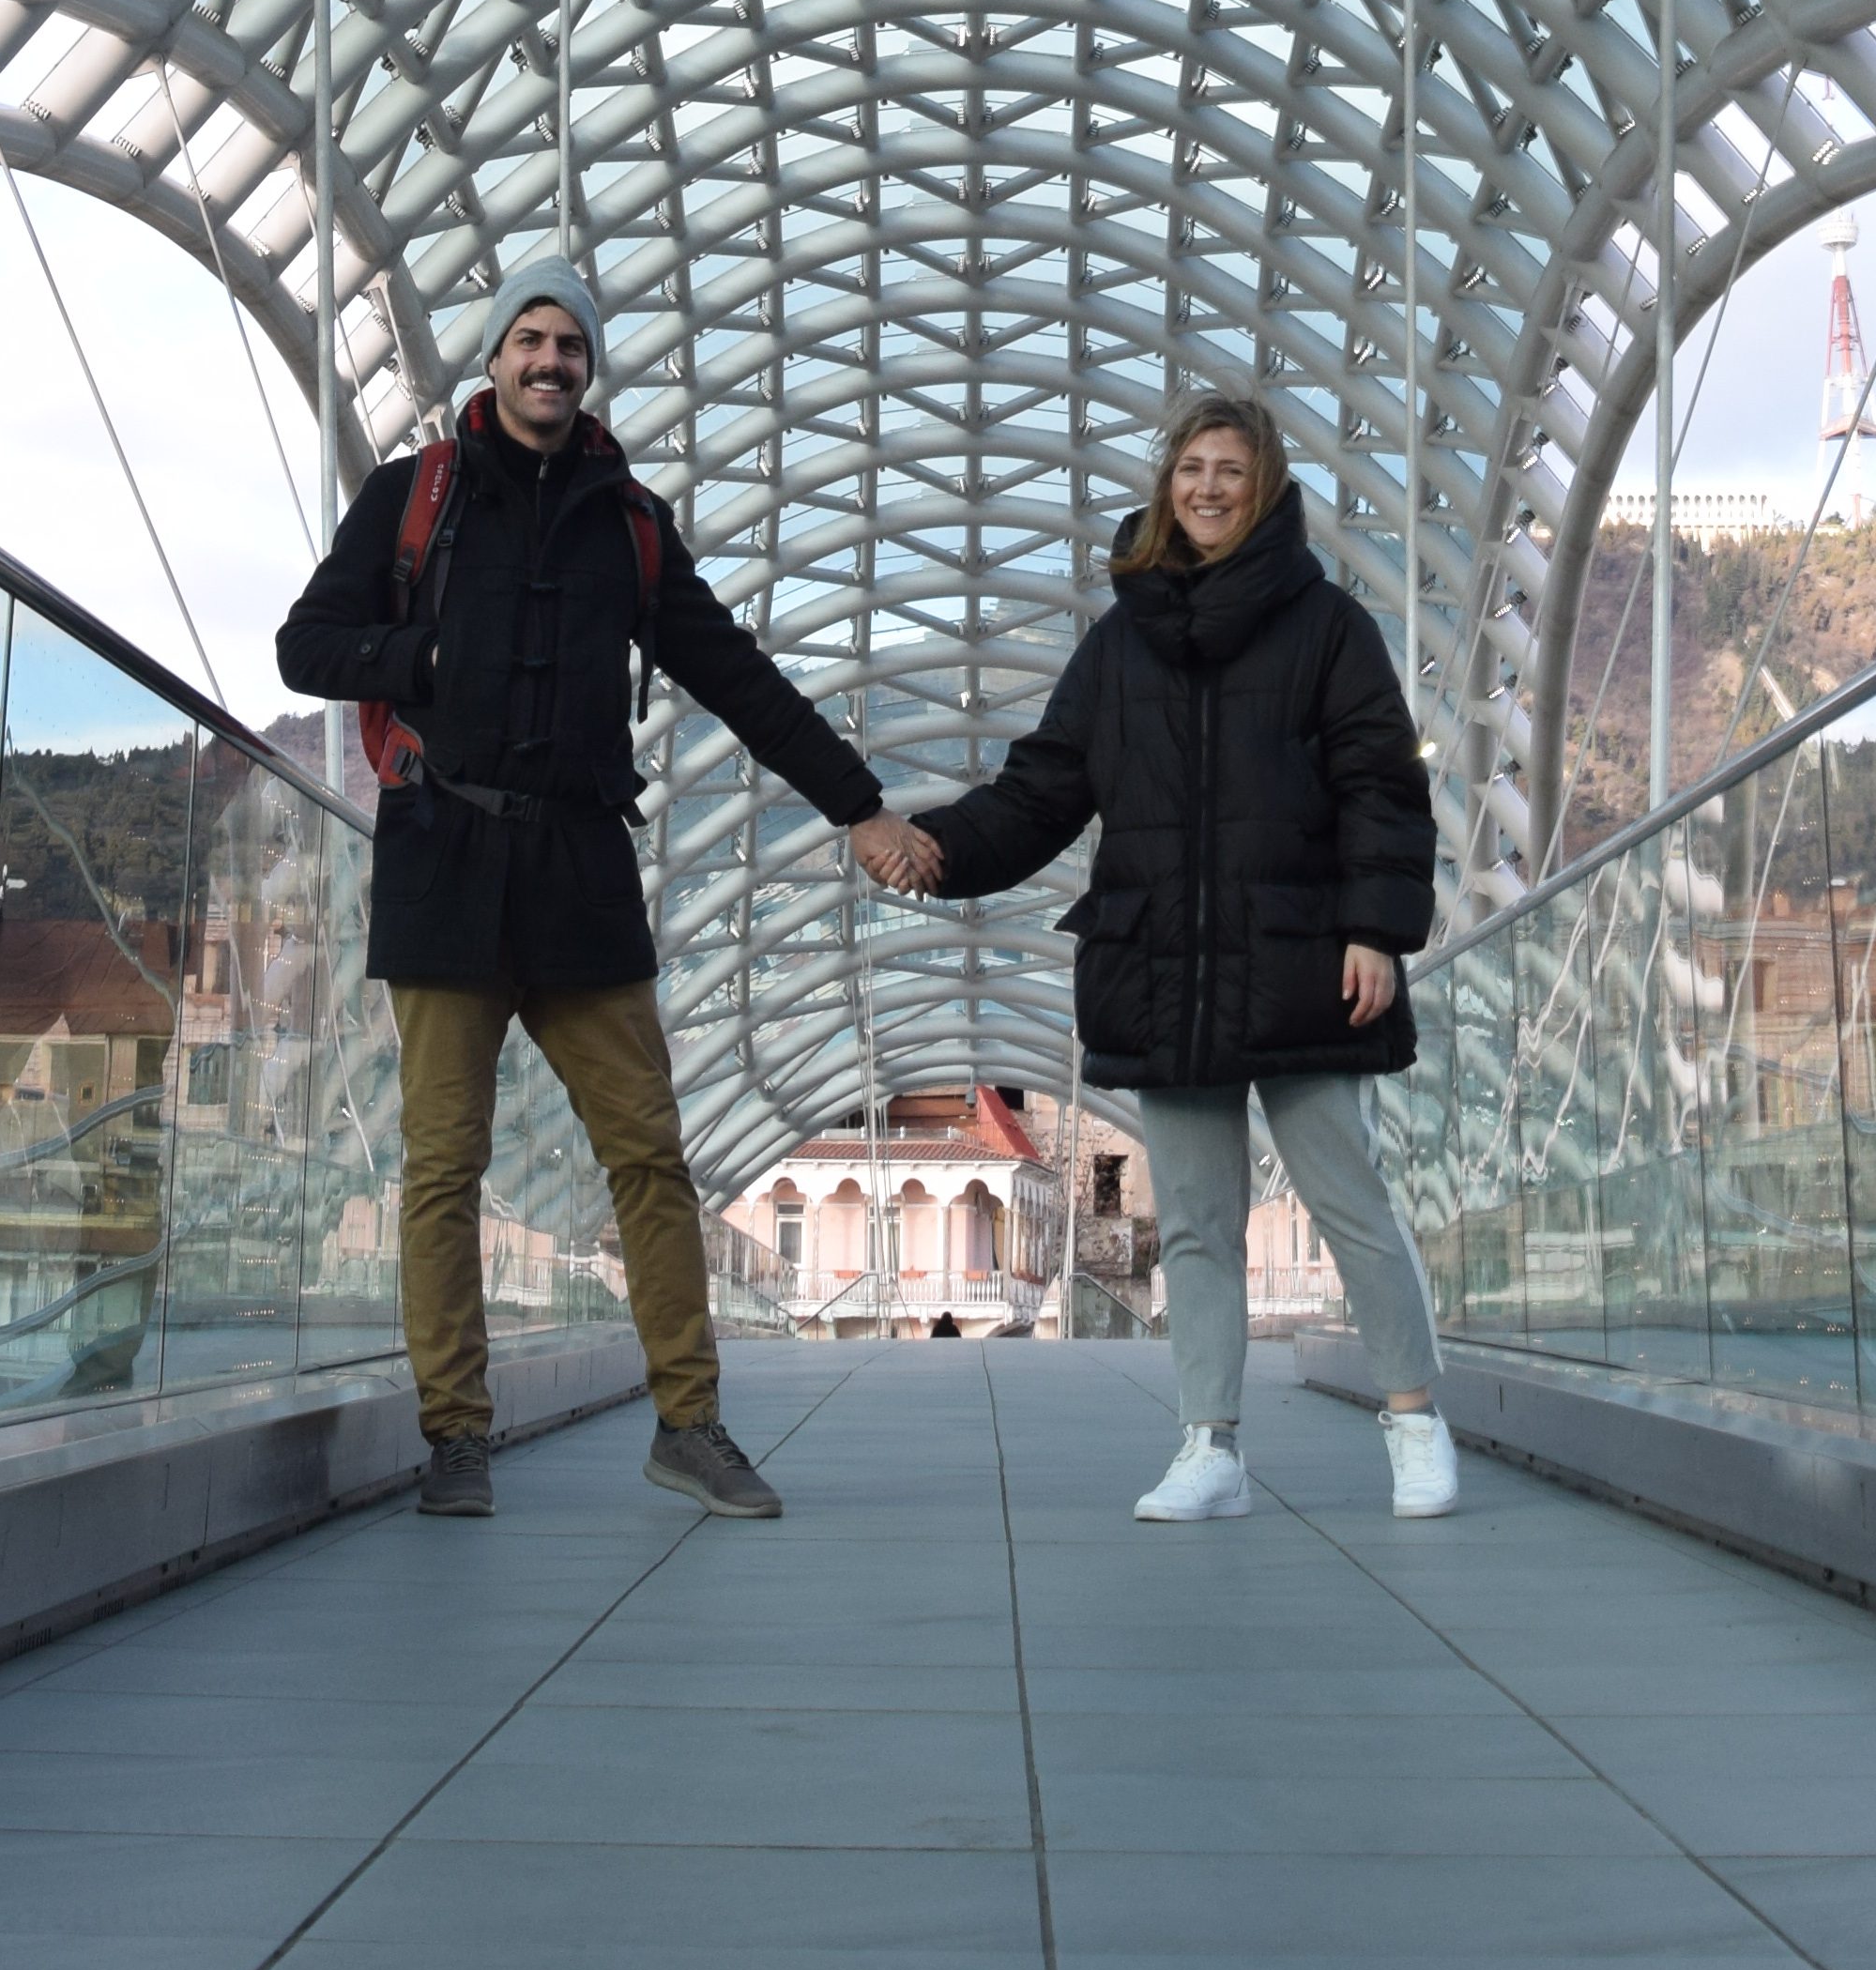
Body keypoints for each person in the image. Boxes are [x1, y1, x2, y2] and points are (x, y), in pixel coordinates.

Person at [277, 256, 931, 1517]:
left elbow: (736, 676)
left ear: (588, 368)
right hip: (444, 863)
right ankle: (455, 1438)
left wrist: (856, 806)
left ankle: (690, 1422)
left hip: (579, 873)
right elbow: (305, 646)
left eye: (568, 346)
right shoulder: (413, 497)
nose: (548, 362)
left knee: (649, 1153)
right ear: (494, 359)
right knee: (442, 1166)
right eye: (529, 340)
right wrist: (424, 657)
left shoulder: (626, 523)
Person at [884, 386, 1456, 1521]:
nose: (1207, 488)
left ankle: (1414, 1419)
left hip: (1301, 962)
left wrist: (1376, 930)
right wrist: (932, 850)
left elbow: (1381, 787)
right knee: (1193, 1222)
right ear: (1166, 486)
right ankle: (1210, 1447)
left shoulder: (1325, 628)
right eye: (1192, 469)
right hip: (1167, 971)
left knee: (1349, 1199)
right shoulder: (1121, 644)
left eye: (1230, 471)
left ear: (1265, 487)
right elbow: (1043, 791)